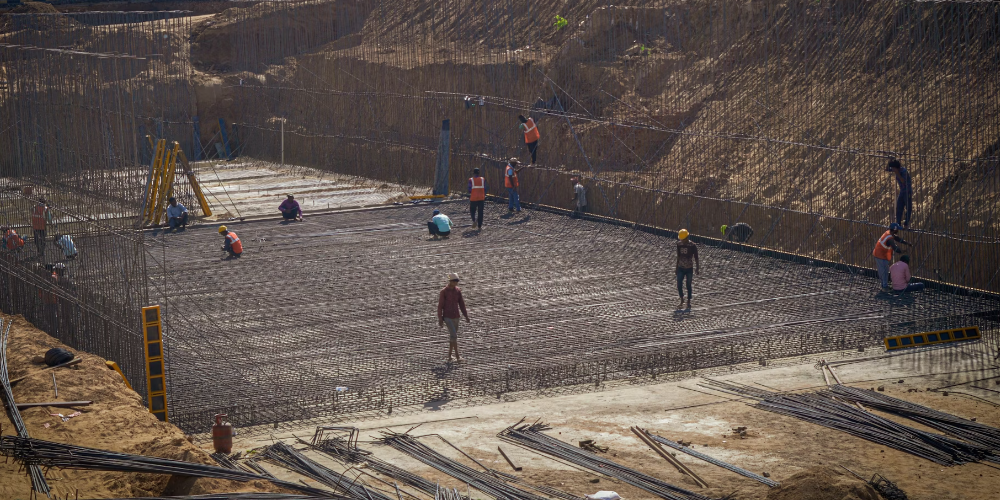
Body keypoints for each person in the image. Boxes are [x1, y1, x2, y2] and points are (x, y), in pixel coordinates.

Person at [437, 273, 469, 363]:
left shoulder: (458, 291)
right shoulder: (444, 292)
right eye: (454, 281)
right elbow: (440, 306)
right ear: (450, 281)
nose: (456, 283)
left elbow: (462, 304)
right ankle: (458, 356)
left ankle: (450, 356)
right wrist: (440, 318)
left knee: (453, 337)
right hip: (447, 317)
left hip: (456, 316)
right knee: (454, 335)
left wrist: (466, 315)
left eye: (457, 281)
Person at [872, 223, 910, 290]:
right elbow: (895, 248)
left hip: (882, 255)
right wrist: (903, 251)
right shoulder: (889, 238)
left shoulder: (889, 233)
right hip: (880, 255)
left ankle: (884, 285)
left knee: (884, 271)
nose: (898, 231)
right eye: (897, 229)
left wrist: (906, 243)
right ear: (894, 230)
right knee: (883, 271)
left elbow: (897, 238)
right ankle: (884, 286)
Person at [675, 229, 699, 309]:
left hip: (689, 268)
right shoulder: (679, 244)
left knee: (688, 285)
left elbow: (696, 257)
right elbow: (678, 256)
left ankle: (688, 301)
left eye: (683, 239)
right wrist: (676, 268)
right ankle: (682, 299)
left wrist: (697, 268)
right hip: (680, 267)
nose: (682, 241)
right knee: (679, 284)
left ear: (687, 238)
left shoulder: (692, 245)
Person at [886, 158, 913, 228]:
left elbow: (903, 181)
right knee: (899, 207)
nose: (892, 170)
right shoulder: (896, 170)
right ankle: (898, 223)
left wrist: (897, 173)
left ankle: (906, 223)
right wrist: (889, 160)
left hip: (907, 191)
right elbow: (887, 169)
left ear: (896, 168)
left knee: (908, 208)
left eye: (893, 168)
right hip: (902, 191)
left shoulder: (904, 171)